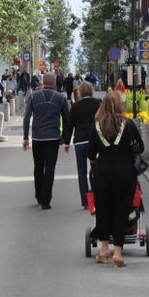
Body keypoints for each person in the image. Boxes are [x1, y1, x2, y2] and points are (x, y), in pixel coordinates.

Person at [87, 92, 142, 267]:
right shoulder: (128, 124)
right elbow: (140, 147)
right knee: (121, 210)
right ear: (119, 106)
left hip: (103, 173)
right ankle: (117, 252)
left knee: (102, 209)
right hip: (125, 172)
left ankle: (104, 249)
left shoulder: (97, 126)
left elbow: (90, 153)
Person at [22, 72, 70, 210]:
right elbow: (66, 119)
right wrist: (65, 137)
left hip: (37, 137)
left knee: (38, 167)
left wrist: (25, 137)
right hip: (53, 138)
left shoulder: (33, 96)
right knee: (50, 168)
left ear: (43, 82)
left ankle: (38, 194)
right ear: (55, 83)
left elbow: (26, 117)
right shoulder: (60, 98)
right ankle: (46, 200)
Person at [62, 81, 102, 209]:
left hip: (79, 142)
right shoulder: (98, 103)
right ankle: (97, 197)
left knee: (81, 172)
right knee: (97, 170)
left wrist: (66, 142)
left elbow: (70, 125)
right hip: (94, 141)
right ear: (91, 90)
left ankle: (86, 202)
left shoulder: (76, 106)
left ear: (80, 92)